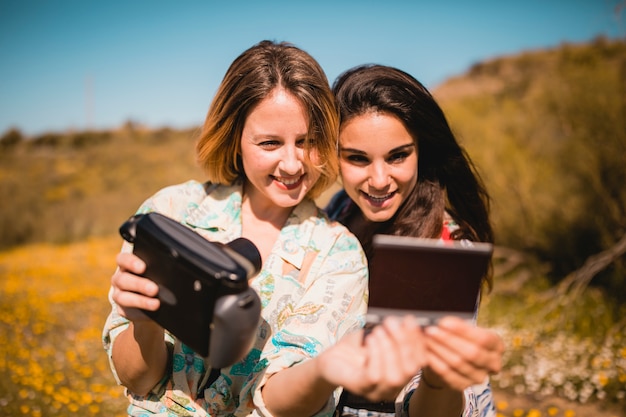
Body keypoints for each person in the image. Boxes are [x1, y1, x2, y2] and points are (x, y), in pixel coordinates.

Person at [102, 40, 375, 417]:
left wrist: (326, 370)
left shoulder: (338, 254)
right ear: (236, 138)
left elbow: (282, 404)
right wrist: (144, 322)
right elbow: (140, 380)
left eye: (308, 142)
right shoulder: (171, 212)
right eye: (270, 143)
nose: (293, 164)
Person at [326, 64, 505, 417]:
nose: (379, 180)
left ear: (421, 150)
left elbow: (434, 405)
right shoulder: (341, 208)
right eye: (357, 158)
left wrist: (439, 380)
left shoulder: (445, 250)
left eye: (398, 155)